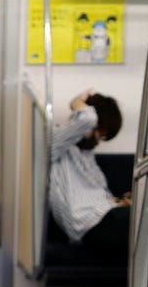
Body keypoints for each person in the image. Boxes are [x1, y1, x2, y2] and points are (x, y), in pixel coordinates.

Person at [49, 88, 130, 255]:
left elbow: (99, 196)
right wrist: (76, 102)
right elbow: (87, 118)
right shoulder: (55, 143)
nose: (99, 140)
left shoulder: (86, 154)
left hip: (105, 216)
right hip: (88, 225)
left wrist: (118, 202)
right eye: (100, 132)